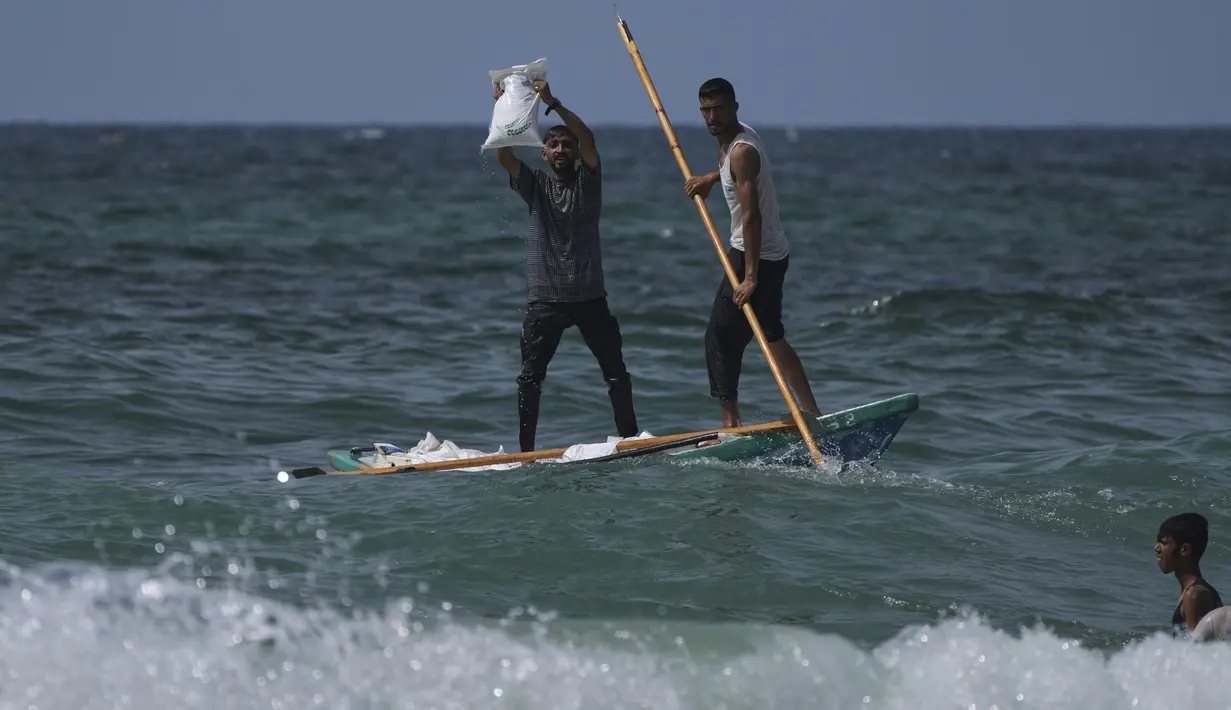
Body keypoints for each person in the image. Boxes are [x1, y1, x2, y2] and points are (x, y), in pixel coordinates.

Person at [490, 78, 639, 452]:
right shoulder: (535, 186)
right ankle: (527, 453)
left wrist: (551, 102)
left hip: (590, 297)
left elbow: (588, 137)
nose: (560, 149)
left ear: (574, 153)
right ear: (544, 153)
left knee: (617, 375)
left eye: (566, 145)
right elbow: (505, 156)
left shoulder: (589, 182)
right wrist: (507, 105)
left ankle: (633, 441)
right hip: (546, 300)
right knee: (530, 380)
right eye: (553, 144)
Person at [683, 77, 821, 428]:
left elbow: (751, 216)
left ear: (734, 108)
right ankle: (811, 411)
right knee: (771, 334)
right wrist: (710, 180)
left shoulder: (742, 150)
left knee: (719, 337)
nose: (711, 117)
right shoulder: (739, 140)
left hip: (753, 253)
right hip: (775, 253)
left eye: (718, 109)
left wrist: (750, 277)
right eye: (705, 110)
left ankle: (731, 424)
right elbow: (735, 172)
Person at [1154, 512, 1224, 636]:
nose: (1157, 548)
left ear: (1185, 550)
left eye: (1164, 543)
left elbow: (1197, 650)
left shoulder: (1194, 595)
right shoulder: (1194, 590)